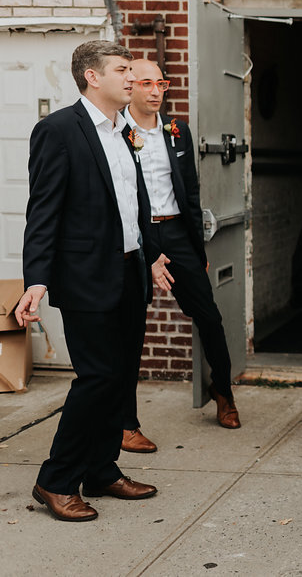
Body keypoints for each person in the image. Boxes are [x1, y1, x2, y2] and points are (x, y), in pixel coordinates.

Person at [14, 41, 166, 521]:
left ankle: (101, 470)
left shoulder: (124, 131)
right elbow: (44, 211)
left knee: (118, 377)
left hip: (128, 267)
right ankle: (55, 480)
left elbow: (130, 202)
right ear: (92, 77)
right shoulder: (59, 130)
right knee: (97, 376)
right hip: (84, 275)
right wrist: (36, 279)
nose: (132, 78)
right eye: (123, 70)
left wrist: (151, 255)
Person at [123, 58, 240, 441]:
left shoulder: (177, 132)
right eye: (146, 84)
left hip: (176, 232)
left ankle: (222, 392)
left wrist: (196, 246)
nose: (156, 91)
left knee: (209, 315)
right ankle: (126, 422)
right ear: (131, 87)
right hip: (136, 236)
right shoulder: (116, 132)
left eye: (161, 83)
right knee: (130, 328)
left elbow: (189, 190)